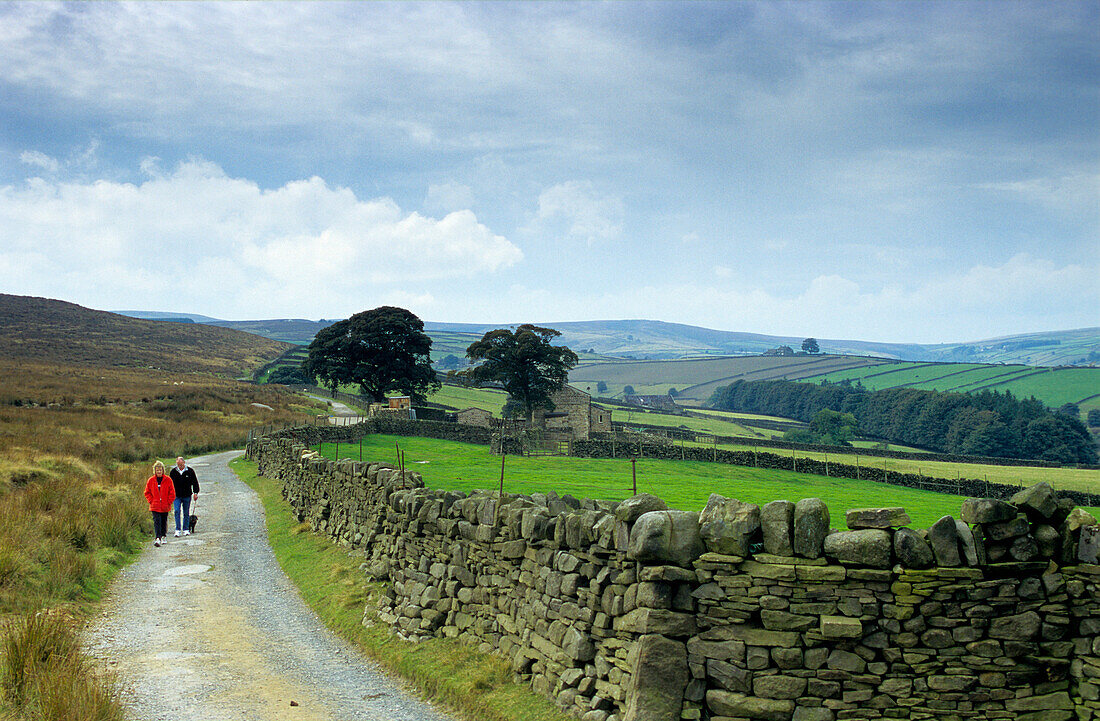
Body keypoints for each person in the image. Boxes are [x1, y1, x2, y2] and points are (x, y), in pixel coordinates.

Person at [144, 460, 175, 547]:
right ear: (155, 471)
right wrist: (151, 501)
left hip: (165, 505)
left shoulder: (168, 480)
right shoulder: (151, 480)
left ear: (163, 470)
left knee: (163, 521)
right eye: (157, 470)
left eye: (160, 470)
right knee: (156, 521)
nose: (159, 472)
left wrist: (169, 502)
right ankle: (157, 538)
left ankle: (163, 536)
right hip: (155, 505)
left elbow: (172, 493)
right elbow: (147, 492)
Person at [169, 456, 200, 537]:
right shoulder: (173, 472)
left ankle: (186, 529)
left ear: (184, 463)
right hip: (176, 496)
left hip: (187, 495)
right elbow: (169, 484)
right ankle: (177, 529)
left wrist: (195, 492)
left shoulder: (190, 471)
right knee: (176, 511)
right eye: (178, 464)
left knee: (186, 512)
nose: (180, 466)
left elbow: (195, 482)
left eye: (181, 464)